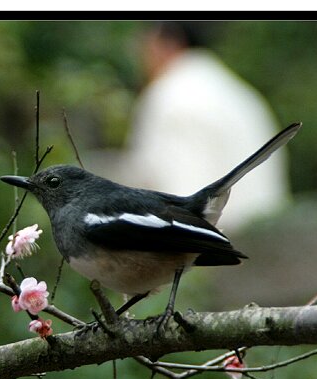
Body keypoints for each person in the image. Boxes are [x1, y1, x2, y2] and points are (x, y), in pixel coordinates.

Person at [118, 21, 290, 231]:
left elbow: (179, 198)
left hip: (213, 249)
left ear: (165, 42)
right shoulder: (235, 91)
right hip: (267, 240)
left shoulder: (169, 96)